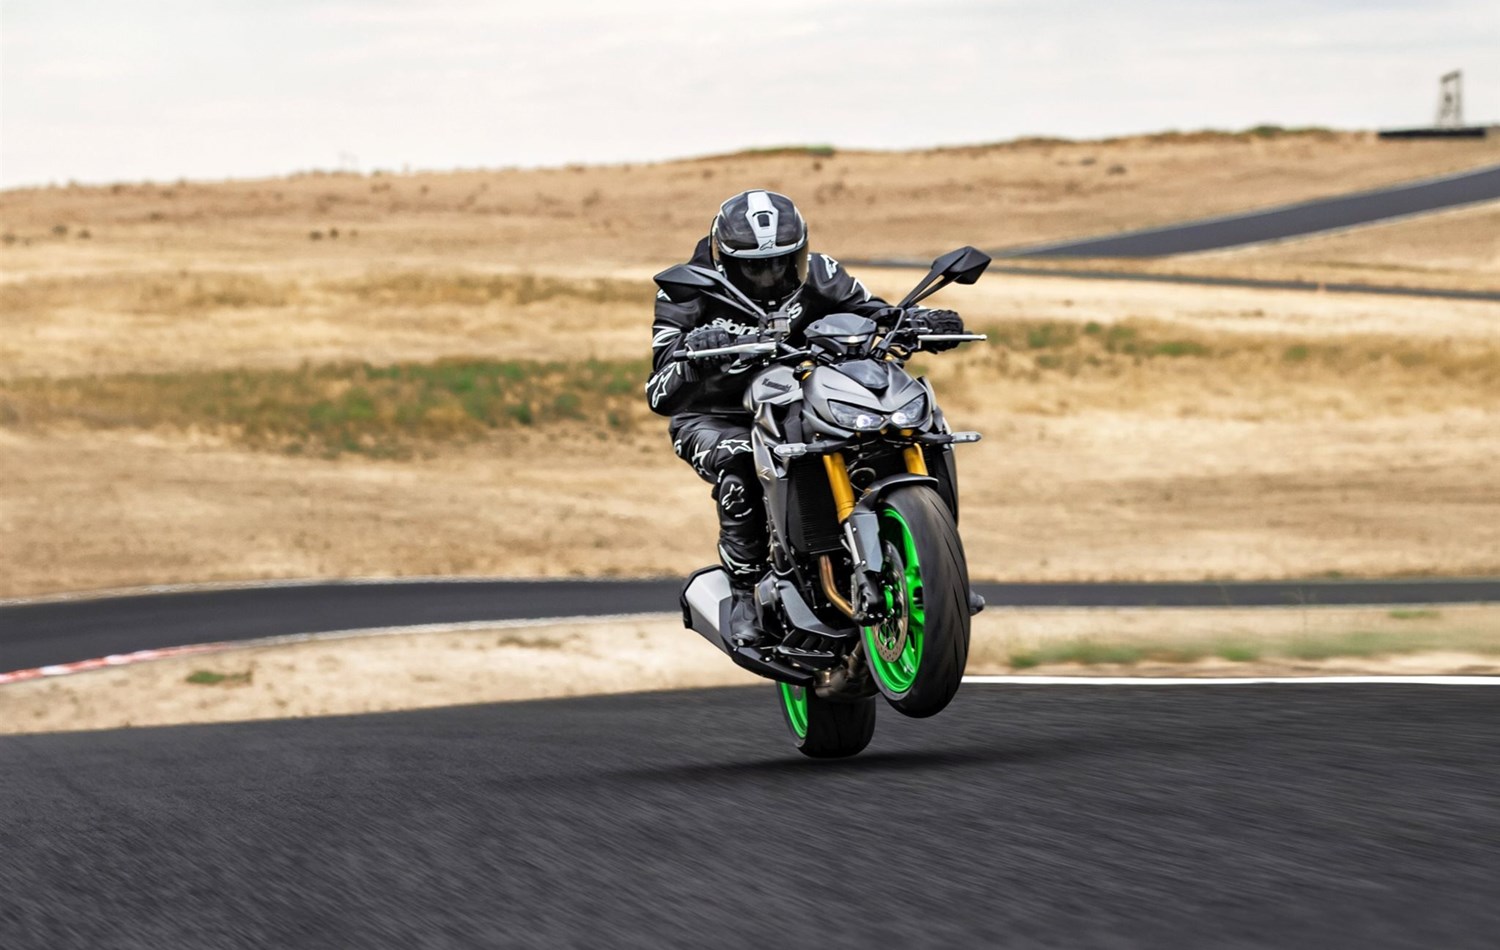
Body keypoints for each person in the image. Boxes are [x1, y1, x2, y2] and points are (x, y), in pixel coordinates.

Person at [645, 189, 965, 647]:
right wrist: (696, 354)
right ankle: (745, 592)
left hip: (802, 399)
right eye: (755, 267)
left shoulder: (822, 272)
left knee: (916, 428)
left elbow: (875, 315)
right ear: (723, 260)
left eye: (783, 262)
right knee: (741, 461)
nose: (771, 275)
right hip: (716, 416)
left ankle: (936, 567)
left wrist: (919, 322)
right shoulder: (687, 291)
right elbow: (659, 391)